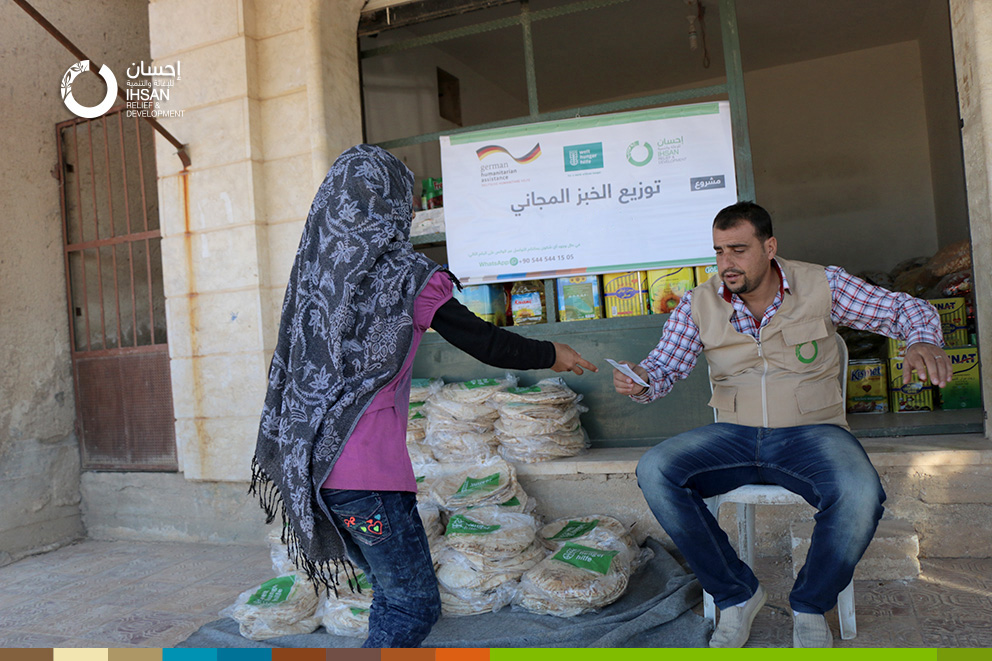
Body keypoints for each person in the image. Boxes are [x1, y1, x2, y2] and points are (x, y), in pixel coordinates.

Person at [250, 144, 597, 648]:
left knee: (392, 595)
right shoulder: (404, 277)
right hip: (368, 477)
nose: (410, 210)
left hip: (315, 466)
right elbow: (485, 341)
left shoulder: (319, 275)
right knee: (411, 603)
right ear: (388, 203)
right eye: (405, 198)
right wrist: (551, 354)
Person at [612, 201, 951, 648]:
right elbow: (664, 367)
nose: (726, 264)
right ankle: (737, 595)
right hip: (734, 433)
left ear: (769, 247)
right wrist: (641, 382)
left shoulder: (821, 283)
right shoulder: (700, 302)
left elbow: (908, 310)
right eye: (718, 252)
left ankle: (810, 605)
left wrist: (921, 340)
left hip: (813, 433)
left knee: (859, 492)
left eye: (738, 249)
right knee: (656, 469)